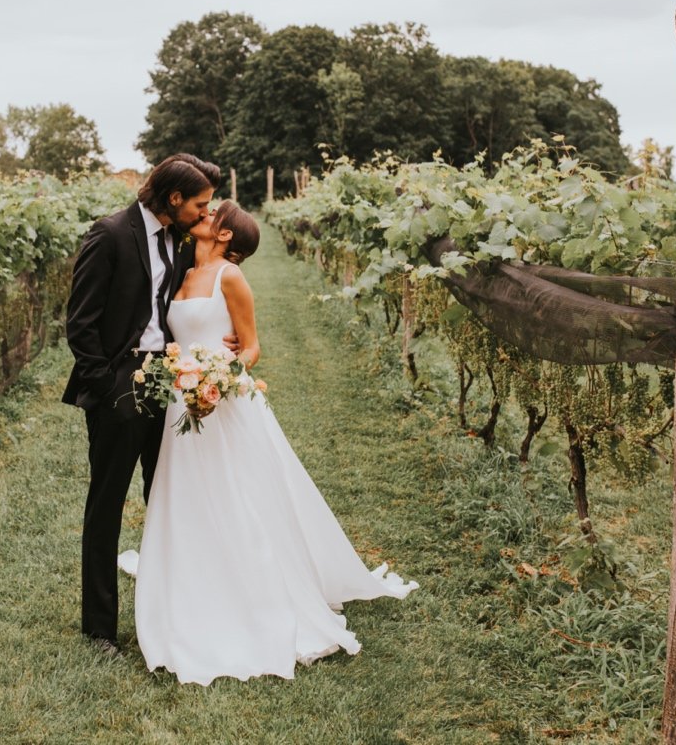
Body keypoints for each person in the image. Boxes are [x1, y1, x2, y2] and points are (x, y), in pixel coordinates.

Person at [122, 201, 417, 686]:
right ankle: (189, 574)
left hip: (219, 400)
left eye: (213, 212)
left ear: (223, 236)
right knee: (186, 494)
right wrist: (189, 384)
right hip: (183, 399)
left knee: (237, 495)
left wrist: (219, 377)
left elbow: (251, 344)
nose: (206, 211)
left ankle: (248, 588)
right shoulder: (180, 269)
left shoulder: (230, 278)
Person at [62, 153, 223, 654]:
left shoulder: (176, 239)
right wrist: (107, 385)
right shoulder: (110, 234)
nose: (204, 214)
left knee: (167, 498)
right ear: (174, 199)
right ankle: (99, 629)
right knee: (107, 505)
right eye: (199, 204)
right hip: (118, 385)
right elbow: (80, 322)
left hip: (168, 381)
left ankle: (169, 610)